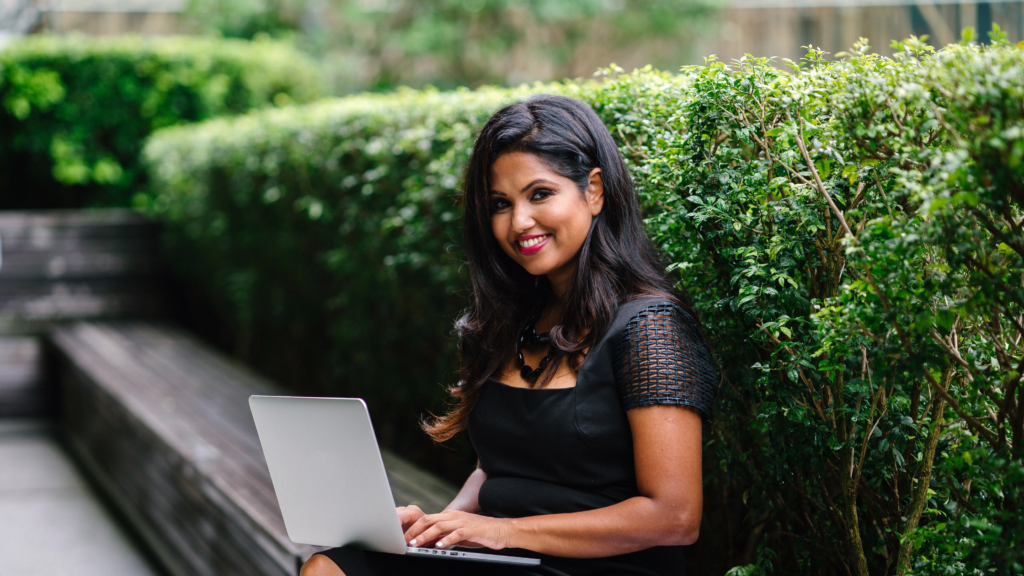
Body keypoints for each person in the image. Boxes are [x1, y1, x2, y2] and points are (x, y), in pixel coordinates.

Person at [300, 95, 718, 576]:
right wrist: (441, 528)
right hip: (505, 558)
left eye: (539, 194)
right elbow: (496, 469)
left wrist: (505, 532)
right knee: (330, 567)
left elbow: (675, 517)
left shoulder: (652, 328)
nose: (519, 222)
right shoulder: (512, 323)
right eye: (501, 204)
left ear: (595, 191)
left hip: (599, 566)